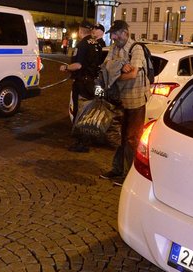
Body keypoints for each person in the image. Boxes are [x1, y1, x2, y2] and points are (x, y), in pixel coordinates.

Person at [99, 20, 149, 183]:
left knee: (132, 138)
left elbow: (132, 75)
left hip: (135, 100)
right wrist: (120, 65)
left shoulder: (136, 49)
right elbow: (105, 66)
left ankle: (131, 176)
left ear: (124, 32)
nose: (113, 37)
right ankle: (118, 169)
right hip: (120, 99)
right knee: (122, 137)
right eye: (112, 34)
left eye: (115, 34)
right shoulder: (115, 48)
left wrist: (113, 76)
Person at [61, 22, 104, 152]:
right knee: (88, 112)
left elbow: (78, 65)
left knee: (79, 111)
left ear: (81, 31)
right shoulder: (97, 44)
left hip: (82, 83)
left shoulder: (82, 44)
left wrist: (66, 67)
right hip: (93, 82)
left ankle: (81, 142)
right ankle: (87, 139)